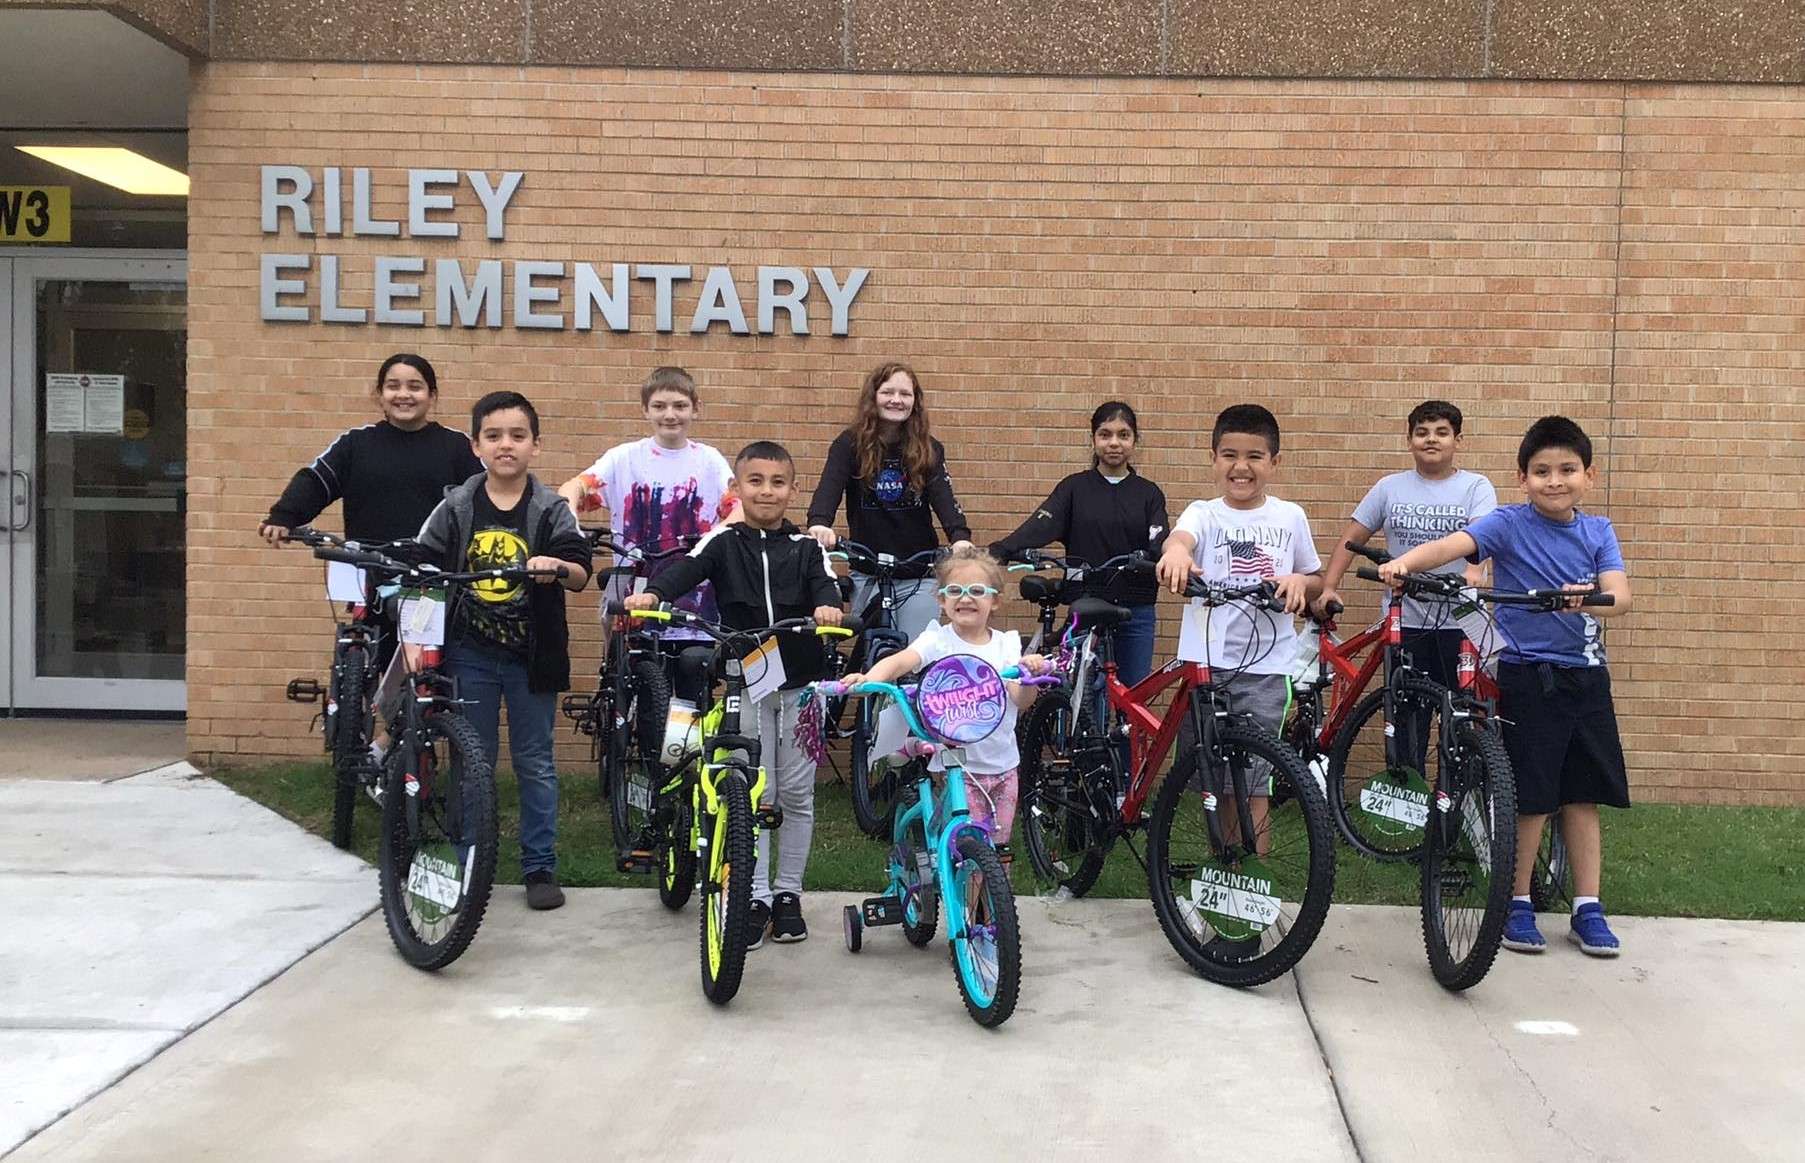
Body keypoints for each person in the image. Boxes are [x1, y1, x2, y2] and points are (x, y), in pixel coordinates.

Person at [1379, 416, 1632, 957]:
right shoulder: (1508, 524)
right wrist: (1402, 563)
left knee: (1582, 798)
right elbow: (1454, 544)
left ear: (1588, 475)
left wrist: (1585, 597)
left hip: (1585, 678)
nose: (1555, 480)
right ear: (1523, 478)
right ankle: (1517, 901)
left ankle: (1588, 906)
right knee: (1533, 798)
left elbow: (1620, 594)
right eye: (1542, 471)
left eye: (1567, 470)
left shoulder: (1598, 531)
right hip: (1526, 674)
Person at [626, 441, 843, 948]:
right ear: (737, 488)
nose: (767, 491)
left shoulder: (809, 548)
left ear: (793, 489)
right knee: (753, 792)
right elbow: (683, 570)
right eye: (756, 481)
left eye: (778, 482)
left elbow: (826, 587)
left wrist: (829, 609)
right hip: (746, 684)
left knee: (795, 795)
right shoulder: (722, 542)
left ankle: (789, 895)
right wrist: (654, 595)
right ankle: (754, 895)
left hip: (802, 688)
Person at [414, 392, 592, 911]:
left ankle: (540, 867)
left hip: (530, 657)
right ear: (476, 446)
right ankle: (469, 860)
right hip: (470, 653)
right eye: (493, 436)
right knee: (474, 759)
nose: (506, 445)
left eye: (517, 435)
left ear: (535, 445)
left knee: (535, 761)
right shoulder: (457, 505)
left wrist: (555, 567)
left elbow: (580, 571)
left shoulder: (551, 508)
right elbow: (424, 562)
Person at [1156, 404, 1322, 959]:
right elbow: (1178, 540)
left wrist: (1302, 581)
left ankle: (1249, 909)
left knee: (1252, 788)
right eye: (1230, 455)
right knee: (1213, 788)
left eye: (1254, 456)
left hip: (1266, 668)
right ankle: (1223, 896)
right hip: (1205, 668)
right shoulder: (1204, 513)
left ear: (1274, 461)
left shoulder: (1290, 516)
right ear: (1213, 459)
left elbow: (1316, 578)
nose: (1241, 466)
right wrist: (1177, 556)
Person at [260, 352, 483, 668]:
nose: (403, 394)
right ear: (378, 394)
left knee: (431, 673)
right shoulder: (356, 444)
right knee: (365, 664)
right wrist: (285, 515)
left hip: (433, 579)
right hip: (368, 574)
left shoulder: (457, 448)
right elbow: (317, 479)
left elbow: (488, 496)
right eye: (393, 386)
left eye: (415, 387)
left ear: (432, 396)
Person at [1315, 399, 1497, 771]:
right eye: (1422, 432)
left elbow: (1485, 536)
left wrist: (1475, 572)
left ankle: (1456, 805)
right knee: (1408, 717)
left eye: (1442, 433)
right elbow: (1351, 538)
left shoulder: (1476, 486)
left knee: (1460, 717)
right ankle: (1407, 803)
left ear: (1457, 440)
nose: (1432, 440)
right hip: (1406, 622)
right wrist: (1329, 586)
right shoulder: (1389, 487)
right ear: (1410, 439)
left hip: (1458, 622)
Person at [842, 546, 1049, 864]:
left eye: (977, 591)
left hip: (1004, 766)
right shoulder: (937, 640)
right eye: (955, 591)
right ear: (941, 599)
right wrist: (869, 677)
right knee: (967, 849)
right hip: (958, 766)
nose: (965, 598)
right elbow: (901, 661)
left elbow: (1021, 701)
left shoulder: (1007, 645)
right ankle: (965, 909)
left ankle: (992, 913)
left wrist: (1028, 677)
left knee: (998, 853)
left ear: (995, 601)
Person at [556, 366, 738, 653]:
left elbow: (737, 509)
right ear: (645, 409)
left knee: (692, 684)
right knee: (627, 679)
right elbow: (574, 489)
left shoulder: (709, 460)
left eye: (680, 406)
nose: (670, 414)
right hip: (633, 588)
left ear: (696, 408)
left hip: (695, 592)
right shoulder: (623, 458)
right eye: (659, 406)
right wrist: (571, 522)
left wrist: (713, 542)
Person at [989, 400, 1169, 685]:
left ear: (1135, 441)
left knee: (1134, 693)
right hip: (1085, 605)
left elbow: (1159, 541)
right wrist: (1001, 550)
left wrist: (1153, 555)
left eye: (1123, 435)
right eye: (1105, 434)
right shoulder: (1074, 488)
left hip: (1135, 609)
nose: (1114, 442)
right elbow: (1040, 524)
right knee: (1082, 690)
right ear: (1093, 439)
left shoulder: (1149, 493)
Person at [806, 362, 973, 638]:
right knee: (870, 653)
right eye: (888, 392)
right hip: (868, 570)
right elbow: (828, 489)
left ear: (915, 402)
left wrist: (959, 536)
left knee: (914, 654)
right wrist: (820, 523)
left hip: (918, 574)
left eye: (905, 394)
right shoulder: (848, 445)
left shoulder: (928, 449)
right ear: (874, 397)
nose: (896, 400)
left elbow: (944, 497)